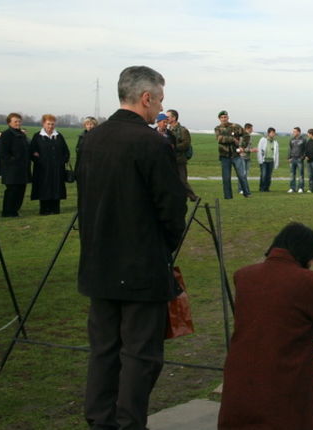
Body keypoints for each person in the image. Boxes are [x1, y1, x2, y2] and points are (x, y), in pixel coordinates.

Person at [76, 65, 187, 430]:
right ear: (146, 97)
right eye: (160, 99)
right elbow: (171, 208)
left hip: (98, 262)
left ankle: (100, 419)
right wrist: (164, 246)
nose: (161, 107)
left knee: (104, 350)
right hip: (141, 265)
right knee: (141, 354)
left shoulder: (92, 138)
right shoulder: (152, 142)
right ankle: (128, 423)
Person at [218, 222, 313, 430]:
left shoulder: (244, 276)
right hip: (284, 380)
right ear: (306, 255)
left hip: (241, 377)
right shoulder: (310, 282)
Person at [29, 114, 70, 215]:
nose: (50, 126)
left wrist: (62, 161)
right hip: (42, 169)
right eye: (48, 124)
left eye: (52, 124)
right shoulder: (37, 136)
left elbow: (66, 151)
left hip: (57, 169)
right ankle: (44, 210)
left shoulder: (59, 136)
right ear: (43, 123)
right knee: (44, 188)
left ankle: (55, 209)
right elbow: (32, 152)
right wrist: (39, 160)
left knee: (56, 188)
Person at [0, 113, 31, 217]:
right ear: (9, 123)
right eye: (15, 121)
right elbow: (3, 153)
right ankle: (7, 211)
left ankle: (15, 210)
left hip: (22, 169)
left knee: (21, 190)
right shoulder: (6, 134)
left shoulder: (21, 134)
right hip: (11, 169)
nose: (18, 123)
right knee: (12, 191)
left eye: (19, 121)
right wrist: (14, 160)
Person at [214, 110, 251, 199]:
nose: (224, 119)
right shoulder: (218, 128)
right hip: (224, 156)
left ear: (228, 117)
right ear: (219, 119)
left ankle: (247, 193)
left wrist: (242, 146)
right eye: (222, 117)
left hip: (236, 155)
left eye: (225, 117)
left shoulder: (236, 126)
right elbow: (220, 139)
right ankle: (228, 196)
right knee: (226, 178)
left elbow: (246, 135)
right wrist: (233, 139)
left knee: (242, 175)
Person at [167, 109, 198, 201]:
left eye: (168, 117)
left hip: (180, 159)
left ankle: (193, 197)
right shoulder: (168, 130)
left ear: (174, 118)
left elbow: (186, 144)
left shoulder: (183, 130)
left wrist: (174, 147)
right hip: (171, 159)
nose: (166, 118)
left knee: (182, 181)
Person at [257, 127, 279, 192]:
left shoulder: (275, 142)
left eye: (274, 133)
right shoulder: (263, 140)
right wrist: (260, 159)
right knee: (263, 175)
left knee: (269, 176)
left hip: (271, 161)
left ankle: (267, 188)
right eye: (272, 133)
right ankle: (262, 188)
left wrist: (276, 163)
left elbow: (277, 153)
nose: (273, 134)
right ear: (268, 133)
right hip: (264, 160)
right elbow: (259, 150)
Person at [287, 127, 305, 193]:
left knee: (300, 174)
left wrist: (302, 158)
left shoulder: (303, 140)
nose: (293, 132)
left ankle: (300, 188)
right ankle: (292, 188)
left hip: (299, 159)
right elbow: (290, 148)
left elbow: (305, 150)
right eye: (293, 131)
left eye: (295, 131)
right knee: (292, 174)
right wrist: (289, 157)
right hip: (292, 159)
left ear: (299, 132)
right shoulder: (291, 139)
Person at [238, 123, 254, 195]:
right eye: (251, 128)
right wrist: (250, 150)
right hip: (242, 157)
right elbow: (240, 147)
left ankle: (244, 188)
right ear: (248, 128)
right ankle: (240, 189)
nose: (252, 130)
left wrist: (252, 149)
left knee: (246, 174)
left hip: (248, 157)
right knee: (242, 174)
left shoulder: (250, 136)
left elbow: (249, 146)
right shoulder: (243, 136)